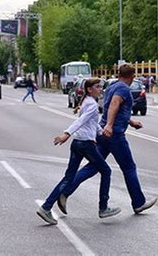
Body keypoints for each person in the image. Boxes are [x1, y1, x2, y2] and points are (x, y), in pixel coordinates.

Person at [59, 64, 157, 215]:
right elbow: (114, 104)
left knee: (93, 166)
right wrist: (110, 126)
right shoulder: (123, 88)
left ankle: (65, 192)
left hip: (103, 133)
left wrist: (130, 122)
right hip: (114, 135)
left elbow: (118, 109)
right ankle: (138, 203)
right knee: (129, 168)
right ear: (131, 76)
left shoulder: (111, 87)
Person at [36, 78, 121, 225]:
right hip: (85, 144)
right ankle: (103, 208)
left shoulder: (86, 102)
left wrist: (101, 132)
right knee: (106, 171)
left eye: (101, 87)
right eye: (97, 87)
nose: (100, 89)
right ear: (89, 89)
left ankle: (46, 207)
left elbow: (91, 123)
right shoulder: (92, 105)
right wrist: (66, 134)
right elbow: (81, 121)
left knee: (69, 177)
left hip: (78, 143)